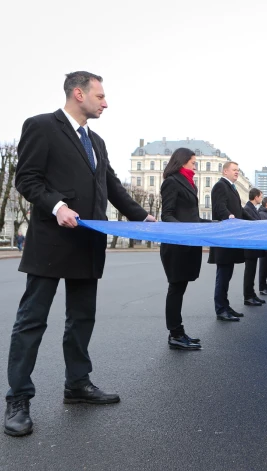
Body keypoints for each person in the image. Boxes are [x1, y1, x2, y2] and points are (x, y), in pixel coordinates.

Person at [4, 71, 156, 438]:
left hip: (88, 242)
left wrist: (142, 217)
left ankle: (77, 384)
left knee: (81, 318)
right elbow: (26, 178)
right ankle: (18, 399)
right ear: (78, 93)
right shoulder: (41, 126)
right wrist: (57, 206)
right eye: (100, 96)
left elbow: (112, 186)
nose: (105, 102)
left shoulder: (97, 141)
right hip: (52, 242)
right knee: (31, 321)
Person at [160, 148, 212, 350]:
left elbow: (193, 218)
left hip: (188, 244)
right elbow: (168, 215)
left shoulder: (190, 183)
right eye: (193, 163)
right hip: (176, 246)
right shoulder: (172, 182)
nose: (195, 167)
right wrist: (185, 232)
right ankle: (175, 334)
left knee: (179, 289)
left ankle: (178, 332)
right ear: (182, 162)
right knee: (175, 289)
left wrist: (215, 224)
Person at [208, 161, 244, 322]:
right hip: (224, 237)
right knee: (222, 275)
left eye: (238, 170)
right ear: (225, 172)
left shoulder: (232, 188)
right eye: (234, 170)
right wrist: (229, 217)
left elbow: (240, 211)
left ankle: (225, 305)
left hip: (231, 237)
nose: (237, 172)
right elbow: (219, 207)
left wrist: (255, 222)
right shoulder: (220, 186)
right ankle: (220, 309)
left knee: (227, 274)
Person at [242, 188, 267, 307]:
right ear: (256, 197)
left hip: (254, 246)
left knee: (252, 272)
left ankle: (252, 294)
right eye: (260, 196)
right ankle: (248, 296)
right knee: (249, 272)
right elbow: (253, 225)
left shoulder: (253, 209)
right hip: (250, 247)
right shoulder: (247, 208)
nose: (261, 199)